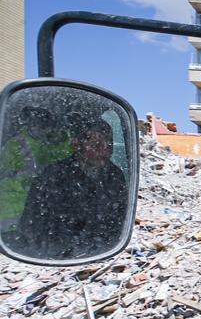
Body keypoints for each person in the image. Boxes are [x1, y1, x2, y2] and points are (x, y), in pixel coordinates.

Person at [18, 111, 129, 259]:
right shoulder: (53, 175)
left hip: (104, 252)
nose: (105, 150)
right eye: (96, 144)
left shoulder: (115, 175)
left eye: (108, 144)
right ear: (76, 145)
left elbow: (120, 219)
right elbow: (32, 226)